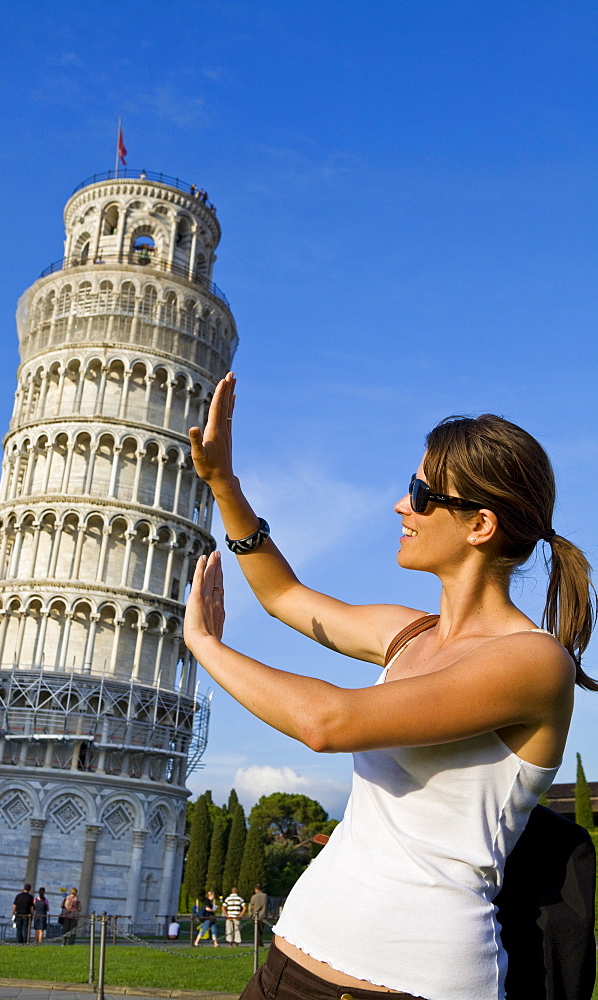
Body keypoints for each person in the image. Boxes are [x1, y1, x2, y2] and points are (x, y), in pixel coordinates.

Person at [184, 373, 597, 1000]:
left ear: (479, 524)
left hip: (407, 985)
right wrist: (224, 484)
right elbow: (283, 595)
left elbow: (329, 724)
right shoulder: (408, 634)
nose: (402, 505)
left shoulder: (534, 663)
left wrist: (208, 648)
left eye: (421, 493)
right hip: (288, 967)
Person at [248, 884, 267, 950]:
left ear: (256, 889)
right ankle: (260, 942)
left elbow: (251, 906)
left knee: (256, 930)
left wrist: (250, 914)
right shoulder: (265, 896)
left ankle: (258, 943)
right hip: (263, 915)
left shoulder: (254, 897)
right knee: (261, 930)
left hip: (255, 915)